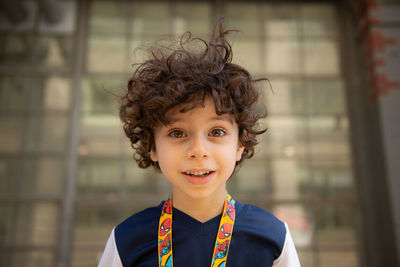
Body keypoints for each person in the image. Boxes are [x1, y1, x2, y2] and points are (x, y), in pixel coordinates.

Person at [98, 19, 301, 267]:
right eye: (177, 133)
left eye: (216, 131)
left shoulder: (273, 237)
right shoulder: (127, 239)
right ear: (152, 146)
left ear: (240, 143)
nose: (197, 150)